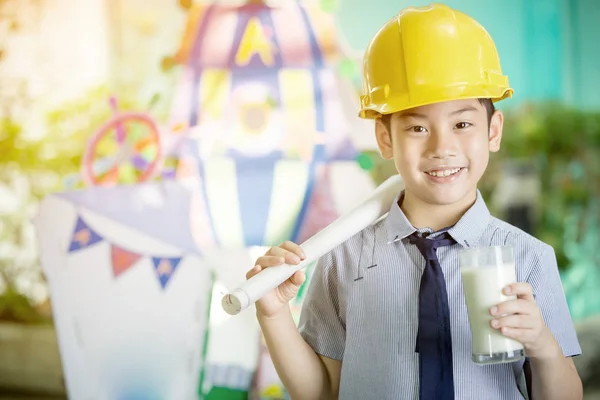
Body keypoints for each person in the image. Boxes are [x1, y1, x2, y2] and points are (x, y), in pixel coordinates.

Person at [246, 4, 583, 399]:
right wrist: (273, 314)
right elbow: (322, 392)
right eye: (418, 127)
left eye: (462, 124)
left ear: (493, 131)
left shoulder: (528, 259)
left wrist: (542, 344)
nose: (442, 147)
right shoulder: (343, 259)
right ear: (385, 138)